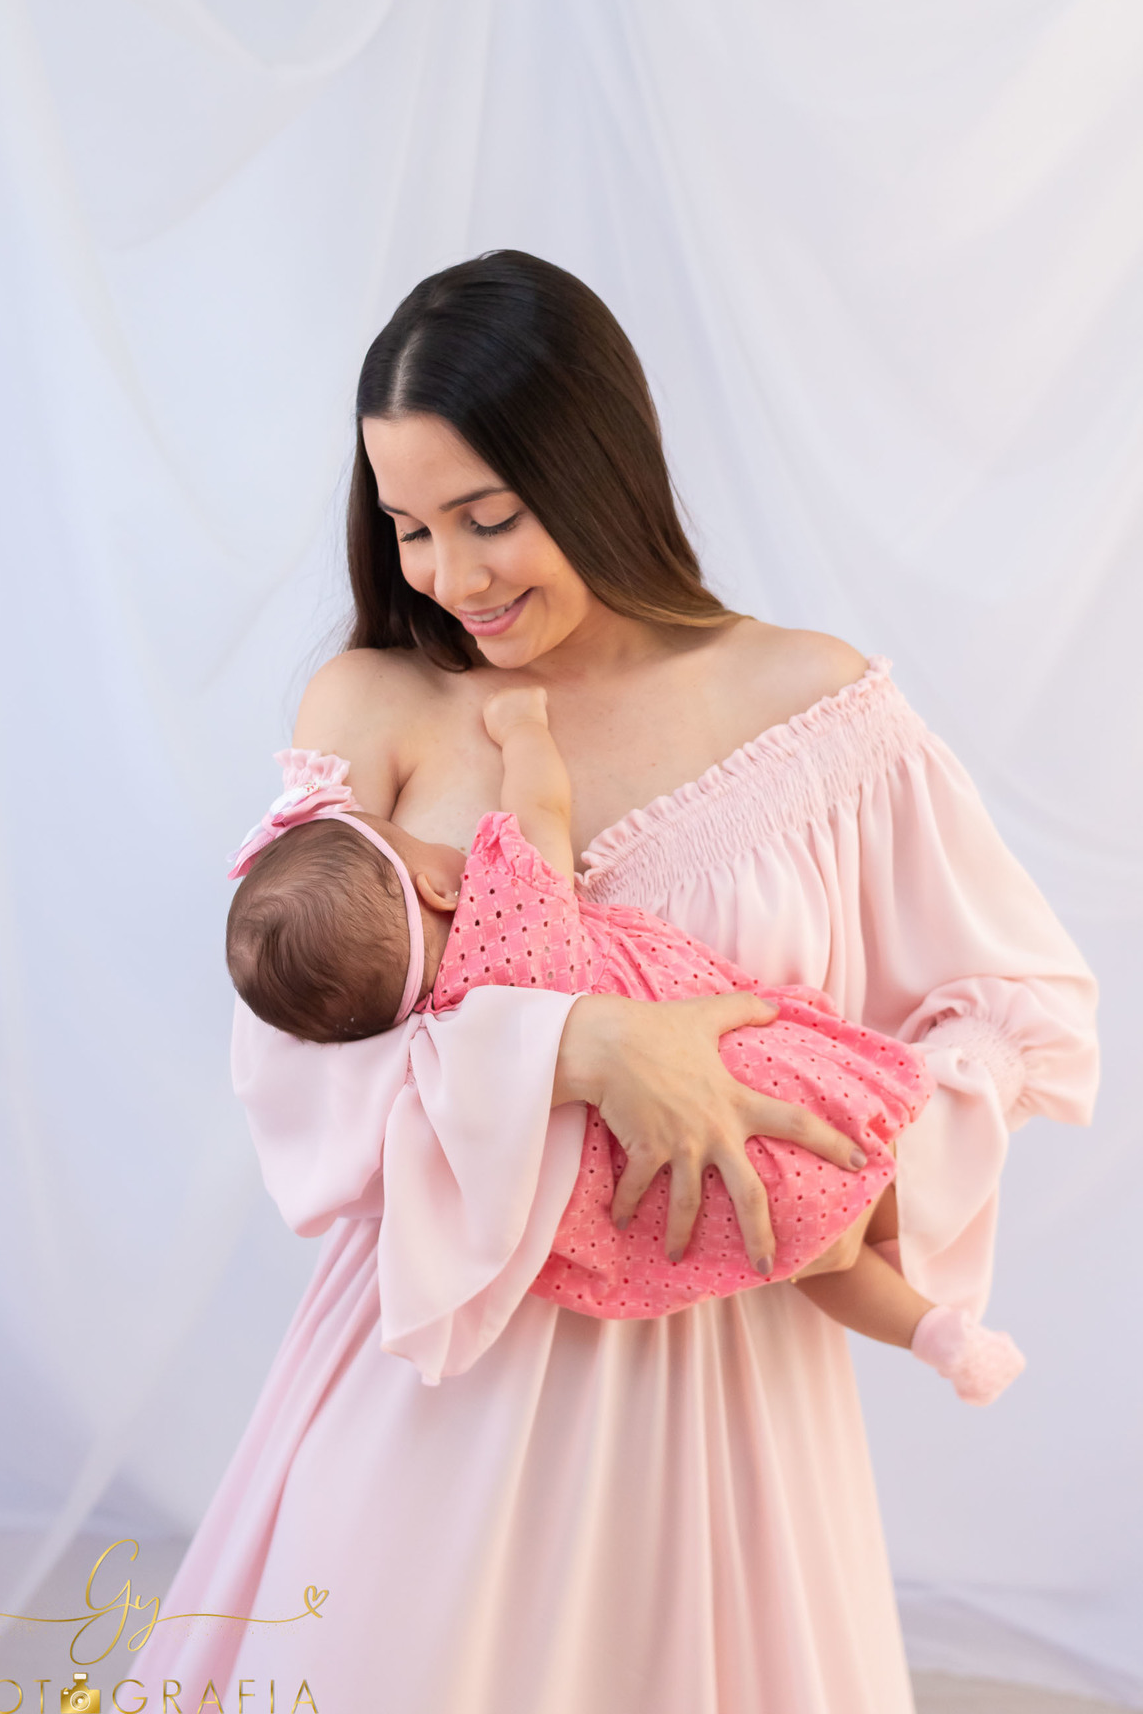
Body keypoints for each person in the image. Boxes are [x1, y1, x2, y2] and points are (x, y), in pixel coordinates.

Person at [140, 252, 1097, 1713]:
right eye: (407, 528)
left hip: (730, 1398)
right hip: (441, 1382)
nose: (452, 580)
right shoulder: (378, 710)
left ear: (595, 470)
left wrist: (847, 1149)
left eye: (489, 518)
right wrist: (581, 1048)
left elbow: (1022, 1005)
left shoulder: (816, 713)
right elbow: (296, 1057)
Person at [222, 685, 1024, 1404]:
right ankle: (937, 1321)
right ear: (434, 886)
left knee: (806, 1252)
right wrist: (523, 728)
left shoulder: (437, 1038)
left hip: (641, 1212)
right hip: (728, 1096)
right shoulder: (509, 914)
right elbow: (543, 806)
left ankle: (930, 1331)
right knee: (848, 1177)